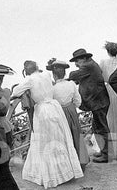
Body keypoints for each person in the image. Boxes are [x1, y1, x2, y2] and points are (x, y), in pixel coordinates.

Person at [11, 60, 83, 188]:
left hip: (43, 111)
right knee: (59, 138)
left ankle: (52, 175)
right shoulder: (46, 75)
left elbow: (16, 91)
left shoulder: (29, 80)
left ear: (26, 70)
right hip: (55, 108)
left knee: (45, 142)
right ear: (37, 67)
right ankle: (65, 171)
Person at [68, 48, 111, 163]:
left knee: (102, 128)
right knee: (97, 127)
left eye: (77, 61)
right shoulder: (91, 65)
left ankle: (107, 154)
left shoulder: (88, 66)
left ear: (83, 58)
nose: (76, 64)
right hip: (99, 101)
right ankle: (104, 152)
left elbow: (73, 75)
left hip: (98, 102)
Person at [47, 58, 90, 168]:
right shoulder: (71, 84)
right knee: (76, 134)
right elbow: (78, 101)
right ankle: (81, 161)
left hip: (59, 112)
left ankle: (66, 165)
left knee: (62, 137)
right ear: (64, 73)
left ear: (54, 75)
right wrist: (70, 107)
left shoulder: (52, 88)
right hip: (71, 111)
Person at [98, 41, 117, 157]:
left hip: (107, 90)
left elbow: (100, 77)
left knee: (108, 117)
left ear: (107, 51)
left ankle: (109, 148)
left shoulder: (103, 62)